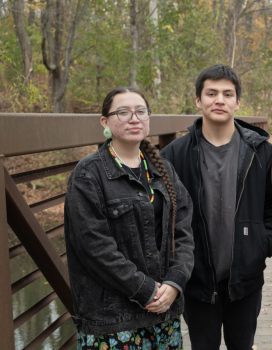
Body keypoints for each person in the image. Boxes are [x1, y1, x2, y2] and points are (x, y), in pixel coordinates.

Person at [160, 64, 272, 350]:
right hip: (196, 278)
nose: (219, 100)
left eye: (228, 94)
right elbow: (164, 216)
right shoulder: (174, 154)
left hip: (245, 278)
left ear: (238, 102)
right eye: (211, 93)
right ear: (198, 100)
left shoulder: (261, 152)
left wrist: (259, 246)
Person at [64, 87, 195, 350]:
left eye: (140, 111)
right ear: (105, 122)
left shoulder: (162, 168)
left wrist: (176, 280)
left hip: (163, 311)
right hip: (113, 320)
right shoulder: (88, 175)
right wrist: (145, 290)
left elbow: (183, 228)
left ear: (149, 118)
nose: (134, 118)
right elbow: (94, 247)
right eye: (123, 112)